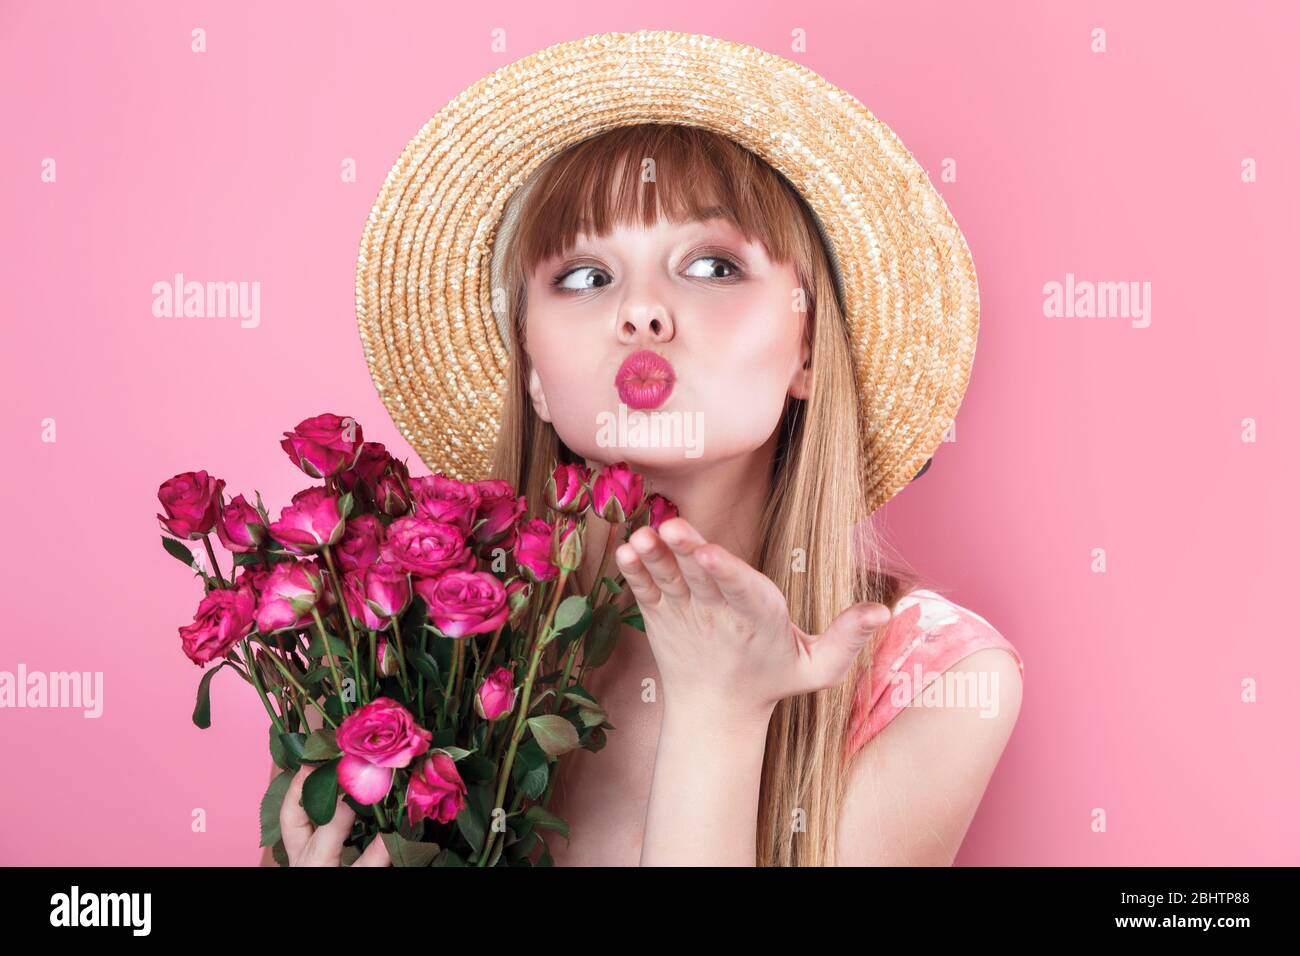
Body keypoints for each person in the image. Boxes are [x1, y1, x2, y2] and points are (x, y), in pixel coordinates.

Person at [270, 31, 1024, 867]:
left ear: (809, 349)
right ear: (534, 374)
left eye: (710, 266)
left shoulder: (943, 682)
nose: (641, 313)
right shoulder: (398, 658)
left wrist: (720, 710)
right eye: (587, 278)